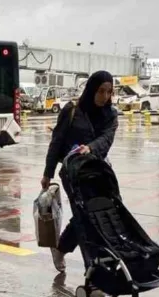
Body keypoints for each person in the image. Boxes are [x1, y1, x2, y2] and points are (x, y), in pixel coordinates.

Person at [41, 71, 118, 272]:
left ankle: (65, 248)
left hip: (98, 171)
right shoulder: (72, 111)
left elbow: (106, 139)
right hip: (72, 172)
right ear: (92, 89)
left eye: (109, 92)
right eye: (101, 91)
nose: (105, 96)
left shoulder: (110, 115)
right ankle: (92, 268)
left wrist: (90, 148)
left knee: (101, 213)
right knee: (84, 214)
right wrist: (47, 173)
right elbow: (56, 141)